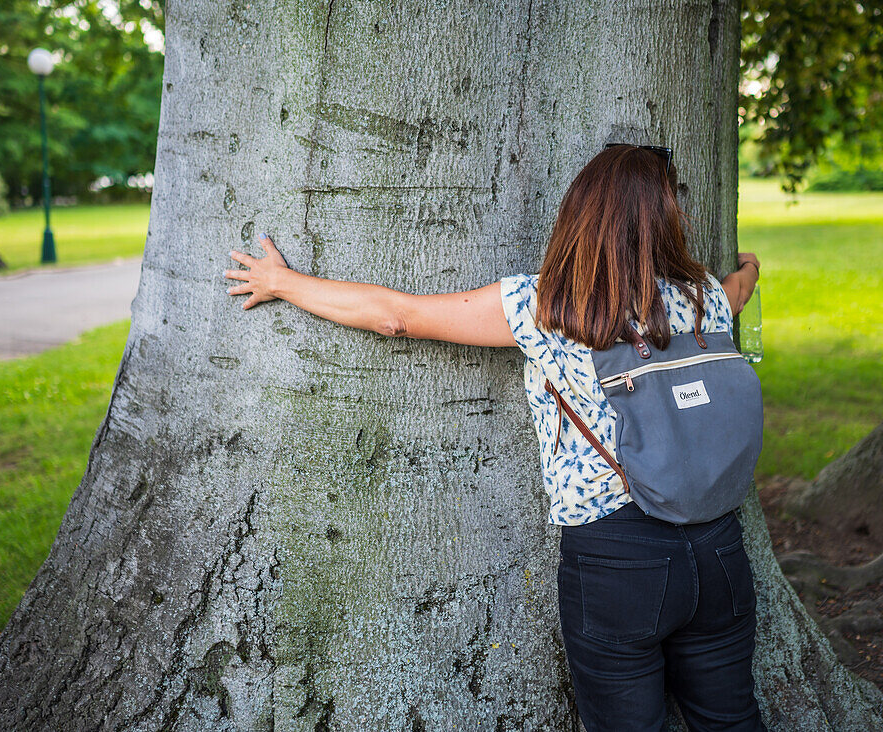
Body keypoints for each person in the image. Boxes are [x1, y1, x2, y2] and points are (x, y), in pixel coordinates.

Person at [223, 143, 764, 731]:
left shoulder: (548, 307)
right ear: (665, 219)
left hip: (618, 559)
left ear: (585, 214)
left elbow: (395, 315)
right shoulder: (703, 295)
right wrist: (752, 268)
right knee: (732, 720)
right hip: (718, 546)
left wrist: (284, 282)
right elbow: (738, 290)